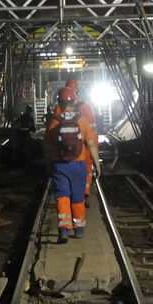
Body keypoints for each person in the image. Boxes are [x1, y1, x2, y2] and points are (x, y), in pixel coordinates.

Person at [44, 77, 100, 243]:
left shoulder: (54, 122)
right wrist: (96, 165)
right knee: (78, 196)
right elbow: (91, 144)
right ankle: (79, 229)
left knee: (62, 196)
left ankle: (64, 230)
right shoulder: (82, 120)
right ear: (74, 102)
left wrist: (48, 164)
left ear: (59, 103)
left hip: (59, 165)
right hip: (79, 164)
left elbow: (46, 146)